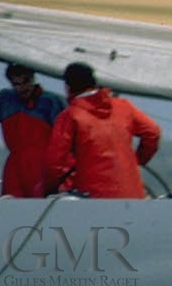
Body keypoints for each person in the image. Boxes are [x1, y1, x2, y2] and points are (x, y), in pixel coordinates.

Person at [43, 62, 162, 198]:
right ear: (94, 82)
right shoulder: (124, 106)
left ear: (68, 87)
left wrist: (49, 190)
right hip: (132, 193)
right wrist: (135, 163)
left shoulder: (70, 115)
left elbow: (54, 162)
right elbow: (153, 132)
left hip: (93, 196)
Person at [0, 63, 66, 197]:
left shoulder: (53, 102)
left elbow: (66, 139)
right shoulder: (5, 100)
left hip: (43, 166)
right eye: (16, 84)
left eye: (25, 82)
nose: (22, 87)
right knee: (11, 207)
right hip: (15, 168)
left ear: (33, 78)